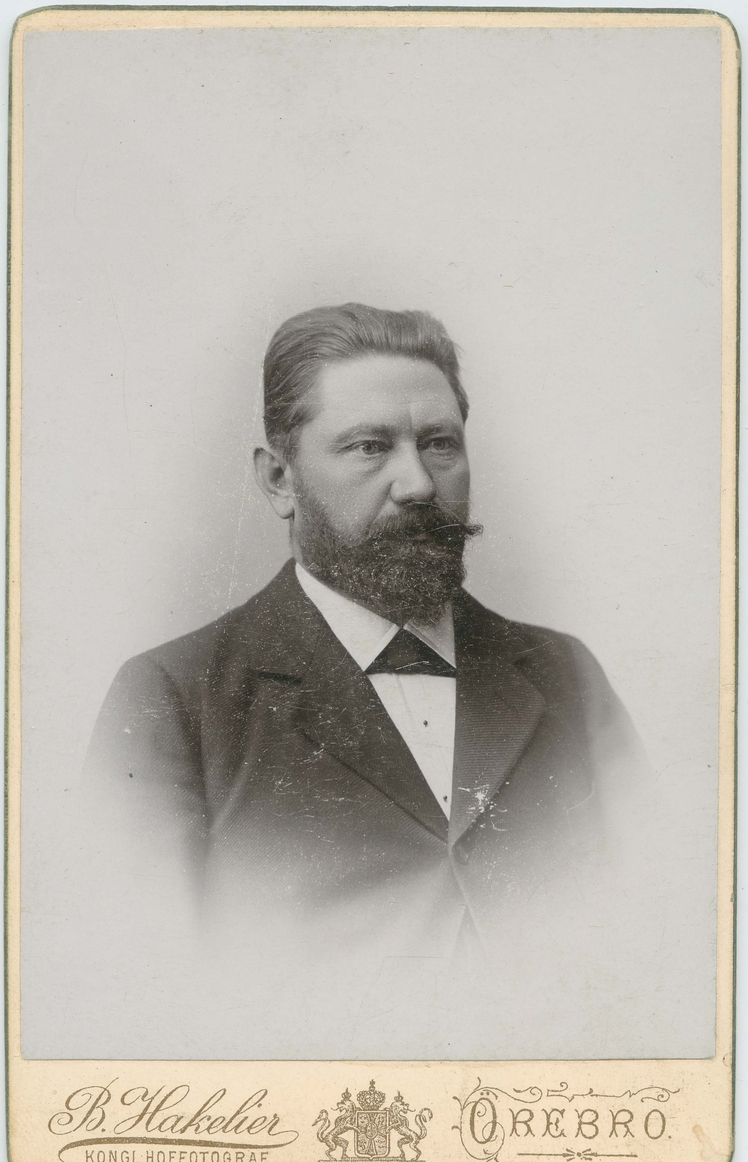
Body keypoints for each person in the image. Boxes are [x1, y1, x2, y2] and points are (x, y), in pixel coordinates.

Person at [83, 303, 649, 1059]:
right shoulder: (174, 698)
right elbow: (143, 994)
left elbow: (657, 934)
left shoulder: (563, 674)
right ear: (279, 479)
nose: (417, 484)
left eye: (440, 444)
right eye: (369, 447)